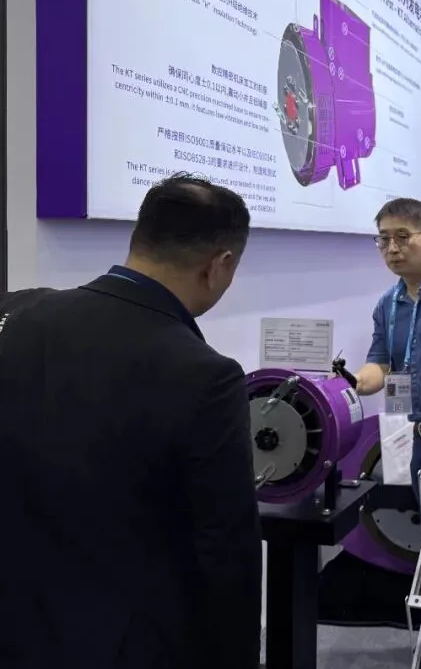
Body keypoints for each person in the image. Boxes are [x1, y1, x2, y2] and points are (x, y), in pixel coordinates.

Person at [0, 173, 262, 669]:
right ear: (220, 264)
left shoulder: (15, 312)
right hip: (120, 644)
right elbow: (225, 550)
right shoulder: (205, 375)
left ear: (140, 237)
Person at [352, 197, 421, 515]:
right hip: (411, 434)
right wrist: (353, 382)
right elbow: (381, 364)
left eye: (402, 237)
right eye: (383, 239)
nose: (392, 248)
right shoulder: (387, 304)